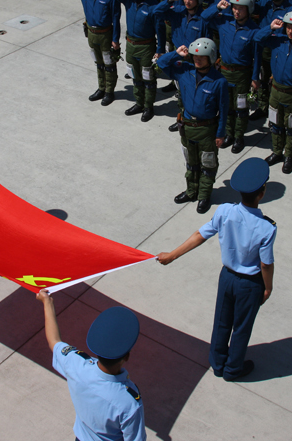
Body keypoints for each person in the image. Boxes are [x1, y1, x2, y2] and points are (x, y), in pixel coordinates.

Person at [157, 157, 276, 382]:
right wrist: (268, 288)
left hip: (227, 278)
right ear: (262, 192)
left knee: (221, 321)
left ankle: (217, 362)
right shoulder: (266, 228)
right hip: (250, 284)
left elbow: (200, 235)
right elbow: (265, 264)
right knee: (241, 328)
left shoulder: (224, 211)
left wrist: (172, 255)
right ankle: (233, 370)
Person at [38, 291, 146, 441]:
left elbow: (54, 340)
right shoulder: (129, 403)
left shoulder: (77, 365)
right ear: (126, 356)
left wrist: (47, 303)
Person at [156, 38, 230, 213]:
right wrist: (177, 54)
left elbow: (224, 110)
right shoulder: (184, 71)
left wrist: (220, 134)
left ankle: (204, 196)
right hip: (187, 127)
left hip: (207, 130)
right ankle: (191, 191)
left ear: (210, 58)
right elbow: (161, 63)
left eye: (201, 57)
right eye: (194, 55)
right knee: (191, 163)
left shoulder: (219, 81)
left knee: (208, 164)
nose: (197, 59)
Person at [253, 12, 292, 174]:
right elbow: (257, 39)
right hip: (275, 91)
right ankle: (277, 151)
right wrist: (270, 28)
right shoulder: (278, 42)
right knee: (275, 125)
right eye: (288, 27)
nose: (290, 31)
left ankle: (289, 155)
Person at [210, 0, 262, 153]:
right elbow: (205, 18)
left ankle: (239, 137)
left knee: (241, 107)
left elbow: (257, 56)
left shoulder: (254, 30)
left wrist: (255, 78)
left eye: (241, 8)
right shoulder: (224, 22)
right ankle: (229, 134)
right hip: (224, 72)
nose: (236, 11)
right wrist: (217, 7)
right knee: (226, 106)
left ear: (249, 9)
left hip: (242, 74)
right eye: (234, 8)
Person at [66, 0, 123, 106]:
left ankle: (110, 92)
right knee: (98, 63)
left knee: (109, 63)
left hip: (106, 34)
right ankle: (101, 88)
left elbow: (116, 19)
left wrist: (115, 39)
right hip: (91, 33)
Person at [113, 0, 166, 121]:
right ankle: (139, 103)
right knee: (134, 76)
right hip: (130, 45)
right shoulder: (129, 0)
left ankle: (149, 107)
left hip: (146, 47)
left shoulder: (153, 6)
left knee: (148, 78)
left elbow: (160, 30)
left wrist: (160, 50)